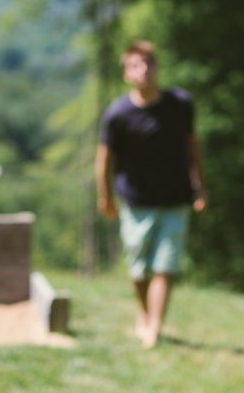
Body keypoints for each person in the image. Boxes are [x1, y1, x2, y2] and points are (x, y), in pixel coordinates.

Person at [96, 40, 207, 348]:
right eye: (135, 65)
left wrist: (200, 186)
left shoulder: (181, 105)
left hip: (176, 199)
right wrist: (105, 197)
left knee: (166, 267)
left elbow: (192, 147)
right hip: (136, 201)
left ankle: (153, 327)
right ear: (126, 73)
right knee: (139, 268)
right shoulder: (117, 115)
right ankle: (145, 314)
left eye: (148, 64)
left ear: (157, 68)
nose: (143, 71)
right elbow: (104, 159)